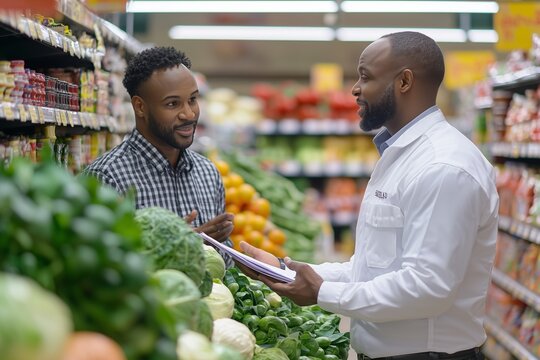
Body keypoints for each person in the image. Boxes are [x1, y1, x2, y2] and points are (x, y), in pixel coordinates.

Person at [240, 31, 498, 360]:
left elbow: (427, 287)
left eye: (365, 76)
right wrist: (285, 269)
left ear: (404, 81)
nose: (355, 89)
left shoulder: (443, 166)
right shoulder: (401, 155)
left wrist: (321, 292)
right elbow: (372, 269)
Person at [84, 46, 234, 265]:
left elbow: (223, 264)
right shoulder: (106, 178)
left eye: (192, 99)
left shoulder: (208, 173)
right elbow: (94, 265)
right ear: (140, 107)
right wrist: (180, 246)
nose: (189, 114)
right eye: (173, 104)